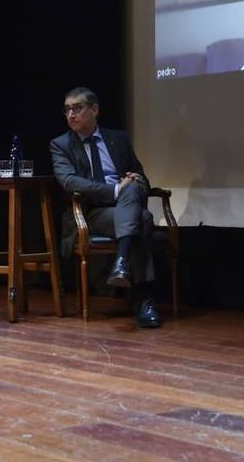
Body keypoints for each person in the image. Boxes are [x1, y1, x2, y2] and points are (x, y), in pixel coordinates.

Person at [49, 87, 161, 328]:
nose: (71, 115)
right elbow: (69, 182)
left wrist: (133, 181)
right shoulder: (61, 145)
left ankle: (122, 265)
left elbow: (142, 177)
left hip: (123, 208)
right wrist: (115, 190)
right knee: (142, 219)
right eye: (67, 110)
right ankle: (145, 300)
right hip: (92, 213)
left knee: (133, 193)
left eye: (77, 108)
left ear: (95, 110)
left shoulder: (117, 139)